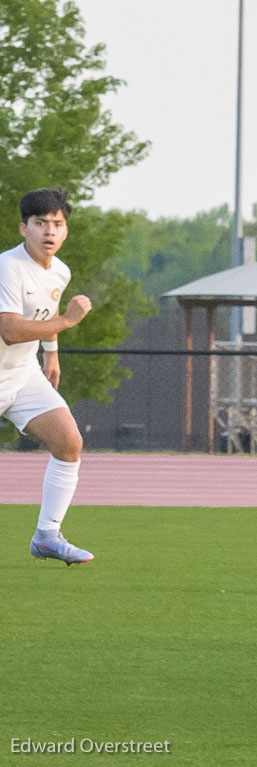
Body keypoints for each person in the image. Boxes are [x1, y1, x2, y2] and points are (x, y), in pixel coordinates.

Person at [0, 187, 94, 565]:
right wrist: (69, 321)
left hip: (21, 375)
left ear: (66, 230)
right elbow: (9, 329)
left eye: (57, 223)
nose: (49, 231)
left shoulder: (60, 271)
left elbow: (44, 315)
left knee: (69, 442)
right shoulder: (8, 266)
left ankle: (47, 536)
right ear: (24, 228)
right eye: (40, 223)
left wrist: (52, 353)